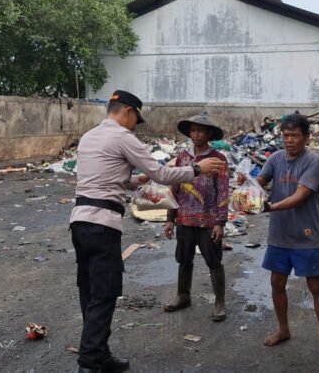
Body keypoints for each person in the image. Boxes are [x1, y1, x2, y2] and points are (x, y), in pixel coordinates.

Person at [69, 91, 226, 373]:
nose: (134, 126)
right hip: (102, 224)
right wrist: (196, 168)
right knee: (104, 293)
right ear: (127, 111)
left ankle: (99, 353)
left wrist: (133, 181)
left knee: (90, 289)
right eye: (135, 120)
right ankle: (90, 361)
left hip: (79, 223)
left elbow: (101, 178)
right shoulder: (122, 137)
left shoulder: (89, 137)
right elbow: (163, 176)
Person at [240, 112, 319, 361]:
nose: (290, 140)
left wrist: (270, 207)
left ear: (306, 137)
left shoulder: (313, 161)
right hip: (279, 235)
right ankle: (283, 329)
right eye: (286, 135)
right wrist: (247, 185)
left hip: (306, 235)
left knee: (316, 287)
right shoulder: (275, 158)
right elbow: (260, 182)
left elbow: (301, 195)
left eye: (295, 135)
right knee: (277, 284)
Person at [163, 112, 229, 321]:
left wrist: (220, 222)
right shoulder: (183, 158)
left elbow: (223, 191)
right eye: (193, 130)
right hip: (184, 219)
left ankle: (219, 302)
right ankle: (183, 296)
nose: (196, 134)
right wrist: (170, 218)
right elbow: (175, 188)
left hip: (208, 221)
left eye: (200, 130)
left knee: (214, 261)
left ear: (209, 133)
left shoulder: (219, 159)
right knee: (184, 260)